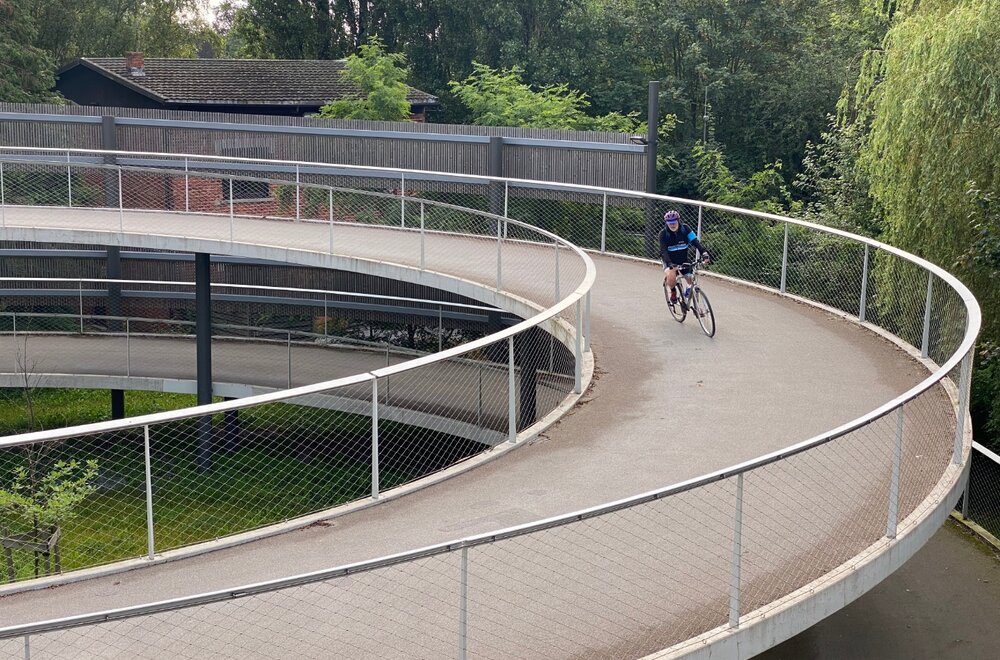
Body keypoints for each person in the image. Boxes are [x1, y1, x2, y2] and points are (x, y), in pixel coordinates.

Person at [659, 209, 711, 304]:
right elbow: (663, 251)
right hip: (670, 260)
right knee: (671, 276)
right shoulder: (663, 234)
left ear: (678, 221)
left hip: (683, 259)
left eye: (674, 222)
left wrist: (704, 253)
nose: (672, 225)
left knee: (690, 279)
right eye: (669, 223)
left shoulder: (686, 229)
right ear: (666, 223)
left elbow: (695, 242)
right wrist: (670, 263)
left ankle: (687, 294)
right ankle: (673, 292)